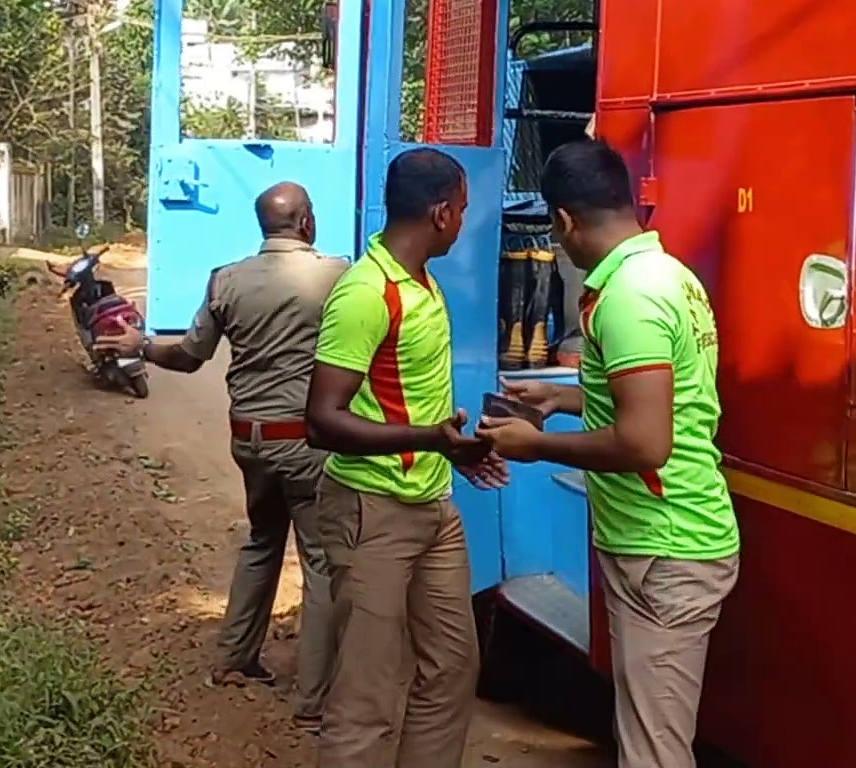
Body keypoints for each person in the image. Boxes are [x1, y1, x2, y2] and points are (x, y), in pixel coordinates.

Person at [480, 138, 739, 768]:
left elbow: (646, 441)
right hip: (662, 540)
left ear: (564, 220)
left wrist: (535, 445)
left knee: (653, 751)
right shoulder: (667, 274)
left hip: (665, 545)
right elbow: (659, 400)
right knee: (646, 733)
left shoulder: (628, 297)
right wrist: (561, 400)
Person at [96, 181, 348, 729]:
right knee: (321, 563)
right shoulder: (336, 276)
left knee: (262, 541)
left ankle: (234, 661)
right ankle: (313, 704)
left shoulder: (226, 279)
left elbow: (189, 357)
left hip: (249, 439)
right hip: (304, 443)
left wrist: (140, 345)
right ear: (306, 222)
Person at [304, 147, 508, 768]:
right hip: (372, 513)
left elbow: (407, 401)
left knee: (451, 667)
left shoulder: (421, 282)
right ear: (442, 213)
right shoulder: (366, 293)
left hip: (432, 507)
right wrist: (430, 441)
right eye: (465, 211)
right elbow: (323, 420)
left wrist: (457, 455)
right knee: (365, 692)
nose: (465, 223)